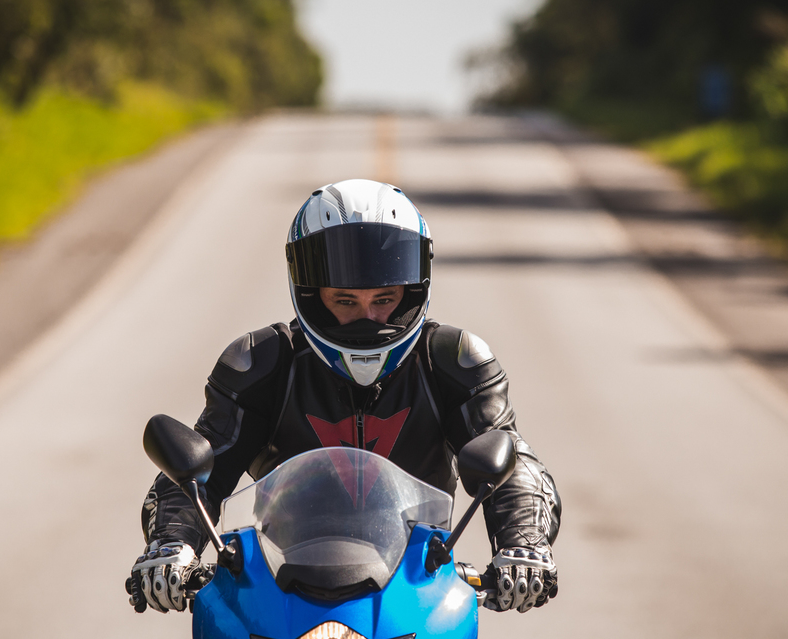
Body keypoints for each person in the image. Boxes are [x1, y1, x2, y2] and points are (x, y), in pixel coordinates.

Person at [127, 179, 561, 614]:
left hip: (418, 596)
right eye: (345, 301)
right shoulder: (262, 364)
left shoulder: (453, 361)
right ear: (313, 297)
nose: (368, 319)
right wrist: (173, 545)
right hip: (277, 598)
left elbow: (513, 463)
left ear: (411, 294)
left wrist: (523, 546)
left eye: (385, 299)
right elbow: (204, 467)